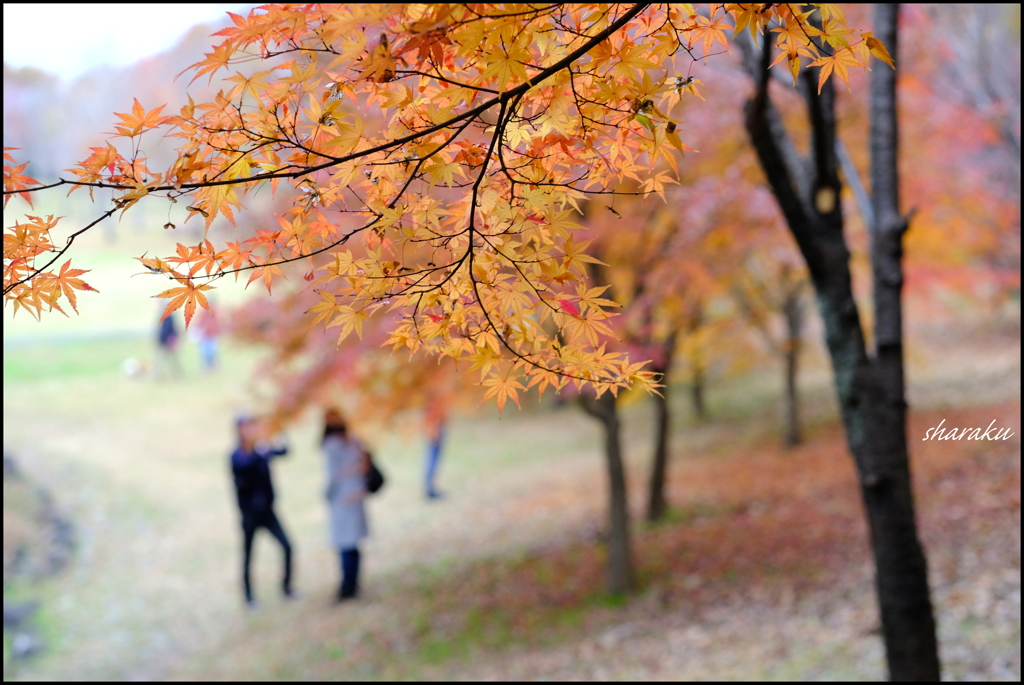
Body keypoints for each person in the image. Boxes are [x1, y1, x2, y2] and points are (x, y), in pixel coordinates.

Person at [230, 414, 294, 607]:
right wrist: (261, 449)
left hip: (268, 512)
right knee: (249, 556)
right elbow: (245, 468)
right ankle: (249, 598)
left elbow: (285, 451)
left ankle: (286, 588)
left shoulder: (262, 450)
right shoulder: (238, 456)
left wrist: (279, 428)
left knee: (287, 547)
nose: (250, 431)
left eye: (252, 426)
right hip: (249, 516)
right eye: (246, 427)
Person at [321, 408, 369, 601]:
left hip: (343, 500)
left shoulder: (334, 445)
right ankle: (352, 584)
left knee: (345, 545)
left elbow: (332, 477)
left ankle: (348, 587)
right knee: (352, 545)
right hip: (355, 496)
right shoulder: (354, 442)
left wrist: (328, 494)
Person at [423, 405, 446, 500]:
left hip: (437, 424)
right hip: (435, 426)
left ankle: (431, 487)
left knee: (433, 457)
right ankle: (430, 488)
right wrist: (434, 428)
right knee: (432, 457)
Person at [155, 305, 183, 378]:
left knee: (172, 359)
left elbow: (171, 331)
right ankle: (162, 375)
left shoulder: (169, 318)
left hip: (169, 342)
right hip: (164, 342)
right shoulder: (164, 317)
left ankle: (176, 373)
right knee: (163, 359)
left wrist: (173, 341)